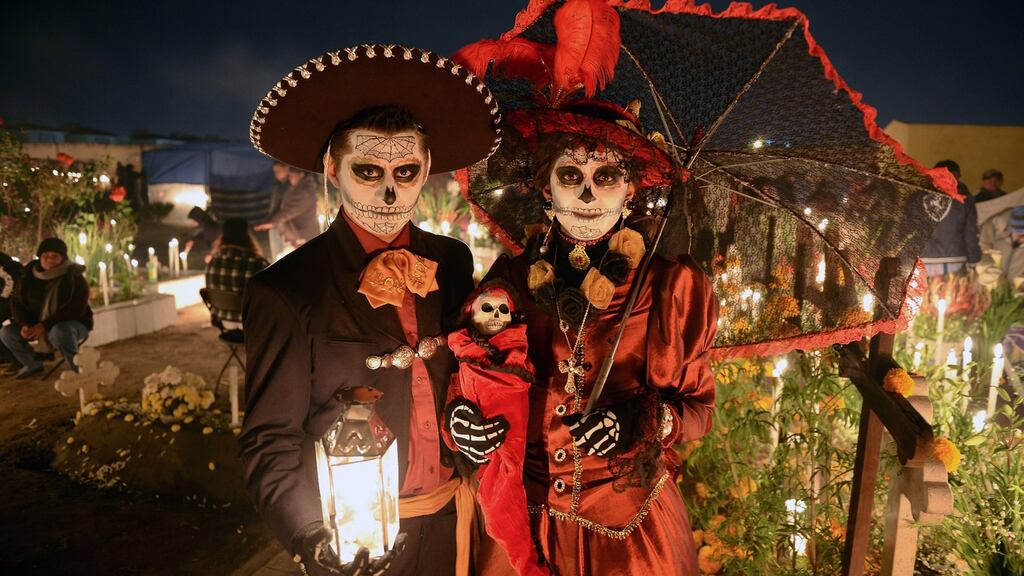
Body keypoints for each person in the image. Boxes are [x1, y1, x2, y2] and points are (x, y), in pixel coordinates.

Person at [453, 6, 718, 573]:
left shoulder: (670, 286)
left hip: (629, 535)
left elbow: (697, 412)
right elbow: (479, 373)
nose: (589, 194)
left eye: (606, 177)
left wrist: (643, 421)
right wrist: (464, 419)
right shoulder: (511, 278)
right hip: (522, 523)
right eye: (571, 176)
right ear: (546, 190)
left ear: (629, 192)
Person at [238, 43, 500, 576]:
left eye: (404, 172)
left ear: (427, 169)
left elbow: (475, 368)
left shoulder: (450, 261)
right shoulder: (287, 290)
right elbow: (271, 440)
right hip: (359, 540)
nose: (386, 192)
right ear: (332, 169)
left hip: (455, 516)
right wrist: (312, 537)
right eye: (367, 170)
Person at [0, 238, 92, 378]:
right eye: (45, 256)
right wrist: (24, 324)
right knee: (7, 332)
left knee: (59, 332)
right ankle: (32, 364)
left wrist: (44, 325)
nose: (49, 260)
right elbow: (17, 302)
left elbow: (75, 309)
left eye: (54, 256)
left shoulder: (74, 276)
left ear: (63, 257)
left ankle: (79, 371)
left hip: (73, 324)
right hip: (37, 323)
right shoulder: (28, 275)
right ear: (39, 257)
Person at [204, 218, 269, 325]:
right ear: (248, 236)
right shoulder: (257, 263)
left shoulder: (212, 263)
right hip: (252, 324)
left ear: (223, 237)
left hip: (223, 321)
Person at [921, 160, 981, 276]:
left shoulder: (918, 195)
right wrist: (974, 260)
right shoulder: (964, 199)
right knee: (954, 294)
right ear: (956, 176)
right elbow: (971, 233)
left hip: (923, 262)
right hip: (955, 262)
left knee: (926, 294)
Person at [255, 166, 320, 257]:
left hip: (302, 237)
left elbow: (288, 211)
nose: (289, 178)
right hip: (297, 236)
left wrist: (272, 222)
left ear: (300, 175)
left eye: (291, 176)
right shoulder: (296, 188)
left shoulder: (303, 192)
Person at [0, 251, 23, 370]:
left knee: (5, 324)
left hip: (11, 306)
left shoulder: (7, 266)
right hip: (6, 303)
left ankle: (17, 358)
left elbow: (10, 286)